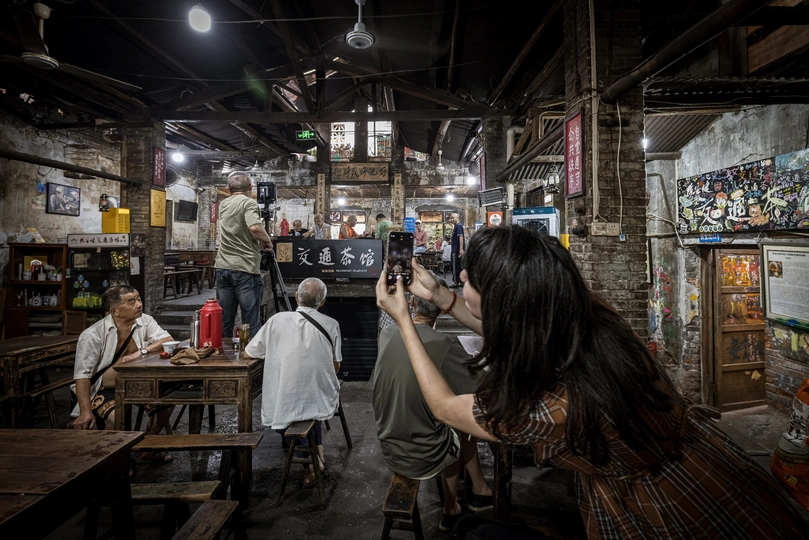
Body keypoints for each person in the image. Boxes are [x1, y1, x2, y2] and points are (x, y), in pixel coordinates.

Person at [376, 226, 809, 539]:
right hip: (711, 463)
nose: (461, 278)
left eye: (470, 278)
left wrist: (404, 322)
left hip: (662, 505)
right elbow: (523, 330)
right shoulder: (592, 316)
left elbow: (443, 406)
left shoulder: (549, 409)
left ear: (502, 300)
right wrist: (441, 298)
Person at [373, 279, 493, 532]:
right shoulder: (445, 345)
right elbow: (481, 385)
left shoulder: (387, 333)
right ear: (441, 311)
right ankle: (452, 508)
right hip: (421, 453)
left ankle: (479, 488)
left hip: (388, 442)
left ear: (412, 303)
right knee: (461, 423)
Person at [245, 278, 342, 488]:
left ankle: (312, 461)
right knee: (311, 404)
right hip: (321, 394)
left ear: (296, 297)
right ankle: (317, 450)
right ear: (322, 302)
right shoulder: (332, 324)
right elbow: (336, 366)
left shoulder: (276, 321)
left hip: (286, 397)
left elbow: (249, 352)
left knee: (289, 412)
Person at [71, 285, 175, 462]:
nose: (139, 304)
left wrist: (141, 352)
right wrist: (85, 411)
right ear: (115, 311)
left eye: (138, 299)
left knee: (167, 402)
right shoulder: (92, 335)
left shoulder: (145, 321)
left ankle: (147, 448)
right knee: (116, 417)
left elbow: (167, 340)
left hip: (136, 385)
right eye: (131, 302)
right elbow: (82, 375)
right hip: (103, 389)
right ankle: (113, 460)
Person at [215, 171, 273, 340]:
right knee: (250, 321)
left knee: (225, 321)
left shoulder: (224, 204)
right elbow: (254, 228)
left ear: (228, 188)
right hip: (245, 268)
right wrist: (267, 241)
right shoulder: (248, 203)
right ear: (250, 187)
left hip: (223, 267)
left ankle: (224, 355)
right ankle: (250, 355)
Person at [449, 212, 465, 287]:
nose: (451, 219)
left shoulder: (459, 226)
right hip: (456, 248)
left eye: (453, 218)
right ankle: (461, 281)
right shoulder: (456, 226)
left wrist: (460, 249)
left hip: (456, 250)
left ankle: (456, 282)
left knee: (455, 266)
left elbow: (460, 237)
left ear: (457, 218)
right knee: (459, 265)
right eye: (451, 218)